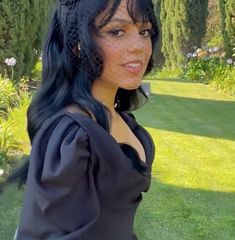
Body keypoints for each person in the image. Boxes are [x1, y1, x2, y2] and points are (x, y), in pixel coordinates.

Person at [8, 0, 159, 239]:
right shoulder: (72, 136)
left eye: (144, 31)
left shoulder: (122, 120)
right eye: (117, 32)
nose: (139, 46)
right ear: (78, 44)